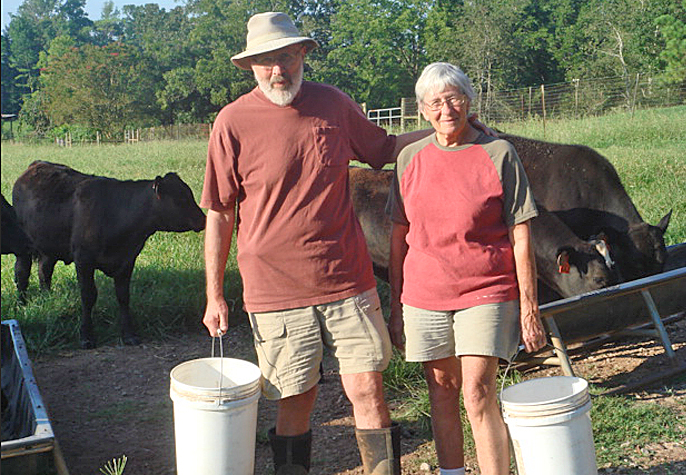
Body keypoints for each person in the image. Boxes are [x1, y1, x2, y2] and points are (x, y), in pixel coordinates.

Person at [200, 13, 496, 475]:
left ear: (302, 55)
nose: (277, 69)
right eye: (265, 61)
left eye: (284, 57)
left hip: (347, 280)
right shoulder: (232, 122)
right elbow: (219, 212)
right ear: (250, 66)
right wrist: (214, 294)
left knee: (367, 390)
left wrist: (449, 128)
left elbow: (383, 150)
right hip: (274, 288)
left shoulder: (333, 105)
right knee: (296, 396)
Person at [387, 62, 547, 475]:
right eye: (436, 102)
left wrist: (530, 309)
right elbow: (398, 237)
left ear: (469, 100)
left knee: (477, 392)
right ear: (422, 110)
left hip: (486, 290)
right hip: (424, 295)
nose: (446, 109)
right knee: (441, 390)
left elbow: (521, 233)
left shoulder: (498, 153)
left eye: (454, 97)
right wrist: (395, 306)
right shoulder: (409, 160)